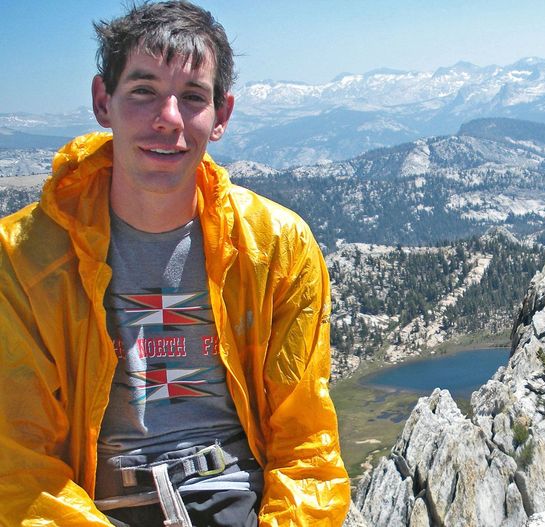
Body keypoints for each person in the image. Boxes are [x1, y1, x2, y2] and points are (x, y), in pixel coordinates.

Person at [0, 2, 349, 525]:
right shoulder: (24, 256)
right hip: (91, 506)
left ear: (222, 114)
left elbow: (305, 444)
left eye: (191, 98)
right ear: (103, 101)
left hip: (236, 499)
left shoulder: (277, 247)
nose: (168, 120)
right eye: (143, 91)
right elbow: (18, 459)